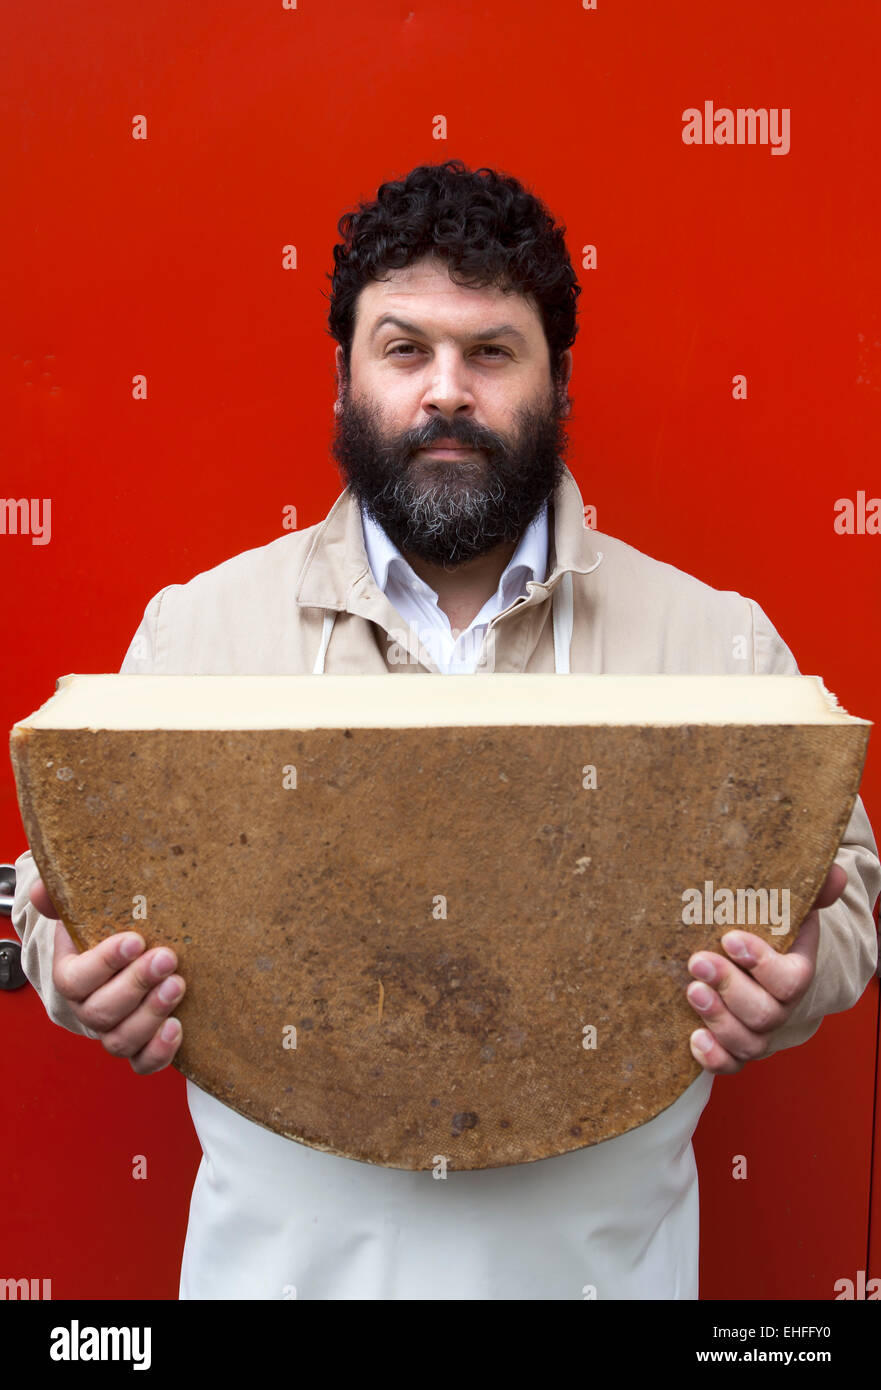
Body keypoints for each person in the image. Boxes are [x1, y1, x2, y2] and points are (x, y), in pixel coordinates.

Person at [12, 159, 880, 1300]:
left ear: (555, 379)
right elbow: (57, 892)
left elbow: (846, 884)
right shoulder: (196, 631)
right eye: (405, 348)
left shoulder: (712, 640)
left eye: (490, 352)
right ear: (344, 378)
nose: (445, 392)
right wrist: (73, 976)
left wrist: (806, 971)